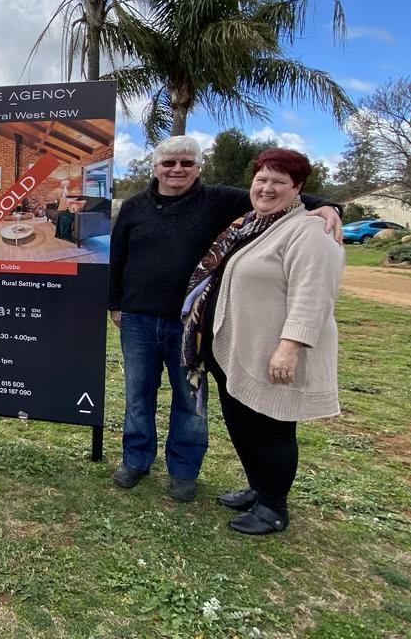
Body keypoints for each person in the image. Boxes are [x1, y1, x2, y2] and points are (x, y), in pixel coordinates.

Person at [108, 136, 341, 502]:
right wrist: (115, 303)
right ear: (155, 168)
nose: (177, 170)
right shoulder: (134, 206)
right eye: (168, 163)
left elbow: (276, 192)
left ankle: (183, 470)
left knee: (191, 398)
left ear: (199, 167)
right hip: (137, 318)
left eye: (186, 163)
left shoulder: (218, 199)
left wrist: (329, 207)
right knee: (138, 395)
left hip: (191, 323)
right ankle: (135, 461)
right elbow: (117, 256)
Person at [182, 149, 344, 534]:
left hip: (275, 352)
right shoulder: (252, 225)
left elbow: (314, 295)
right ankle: (258, 488)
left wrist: (291, 347)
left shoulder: (311, 232)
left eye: (278, 182)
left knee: (272, 431)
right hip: (238, 347)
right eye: (261, 179)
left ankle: (273, 507)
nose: (267, 188)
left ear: (298, 188)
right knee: (243, 426)